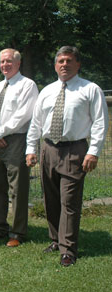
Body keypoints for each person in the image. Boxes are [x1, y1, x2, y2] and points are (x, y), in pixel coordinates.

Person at [26, 46, 109, 266]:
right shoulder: (47, 91)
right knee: (50, 199)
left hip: (75, 150)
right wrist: (31, 149)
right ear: (55, 65)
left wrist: (94, 152)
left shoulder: (90, 89)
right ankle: (55, 239)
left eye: (69, 60)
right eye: (61, 61)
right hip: (49, 149)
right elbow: (36, 122)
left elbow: (100, 122)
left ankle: (68, 250)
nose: (64, 64)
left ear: (78, 64)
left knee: (69, 201)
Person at [0, 48, 39, 247]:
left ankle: (17, 233)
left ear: (18, 63)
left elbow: (24, 114)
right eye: (2, 61)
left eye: (9, 61)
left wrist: (1, 133)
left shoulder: (27, 85)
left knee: (17, 187)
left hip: (15, 140)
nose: (5, 65)